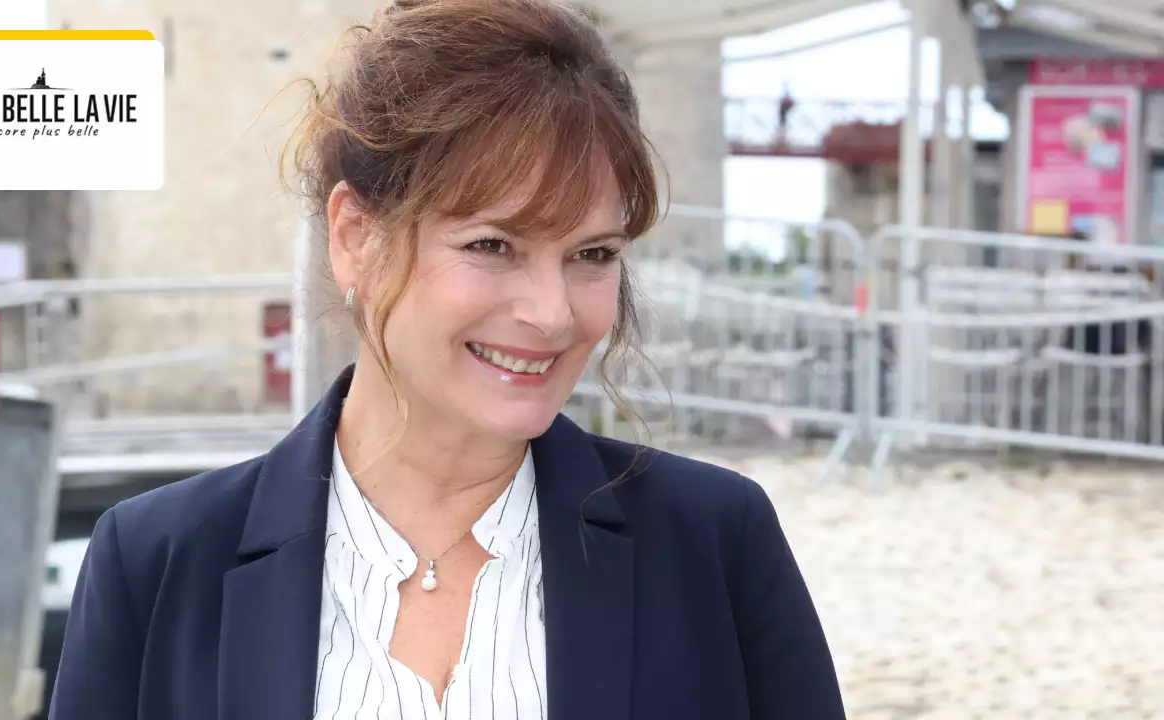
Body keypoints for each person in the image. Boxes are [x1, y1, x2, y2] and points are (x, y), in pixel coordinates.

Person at [48, 1, 845, 718]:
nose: (552, 312)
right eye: (493, 245)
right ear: (356, 237)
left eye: (592, 253)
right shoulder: (153, 566)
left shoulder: (716, 545)